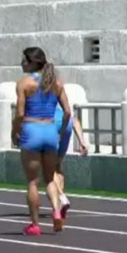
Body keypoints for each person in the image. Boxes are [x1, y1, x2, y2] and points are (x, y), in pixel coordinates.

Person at [12, 46, 72, 236]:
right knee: (50, 178)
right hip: (49, 131)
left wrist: (15, 132)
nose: (21, 63)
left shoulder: (24, 83)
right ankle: (56, 211)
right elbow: (68, 112)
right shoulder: (56, 83)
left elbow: (20, 113)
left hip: (31, 130)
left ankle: (35, 224)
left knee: (32, 181)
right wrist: (61, 130)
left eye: (24, 60)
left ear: (32, 62)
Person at [53, 104, 88, 218]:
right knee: (57, 166)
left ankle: (62, 197)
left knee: (48, 168)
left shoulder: (40, 104)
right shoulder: (60, 107)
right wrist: (82, 142)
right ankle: (60, 202)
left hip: (52, 125)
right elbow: (75, 120)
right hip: (67, 124)